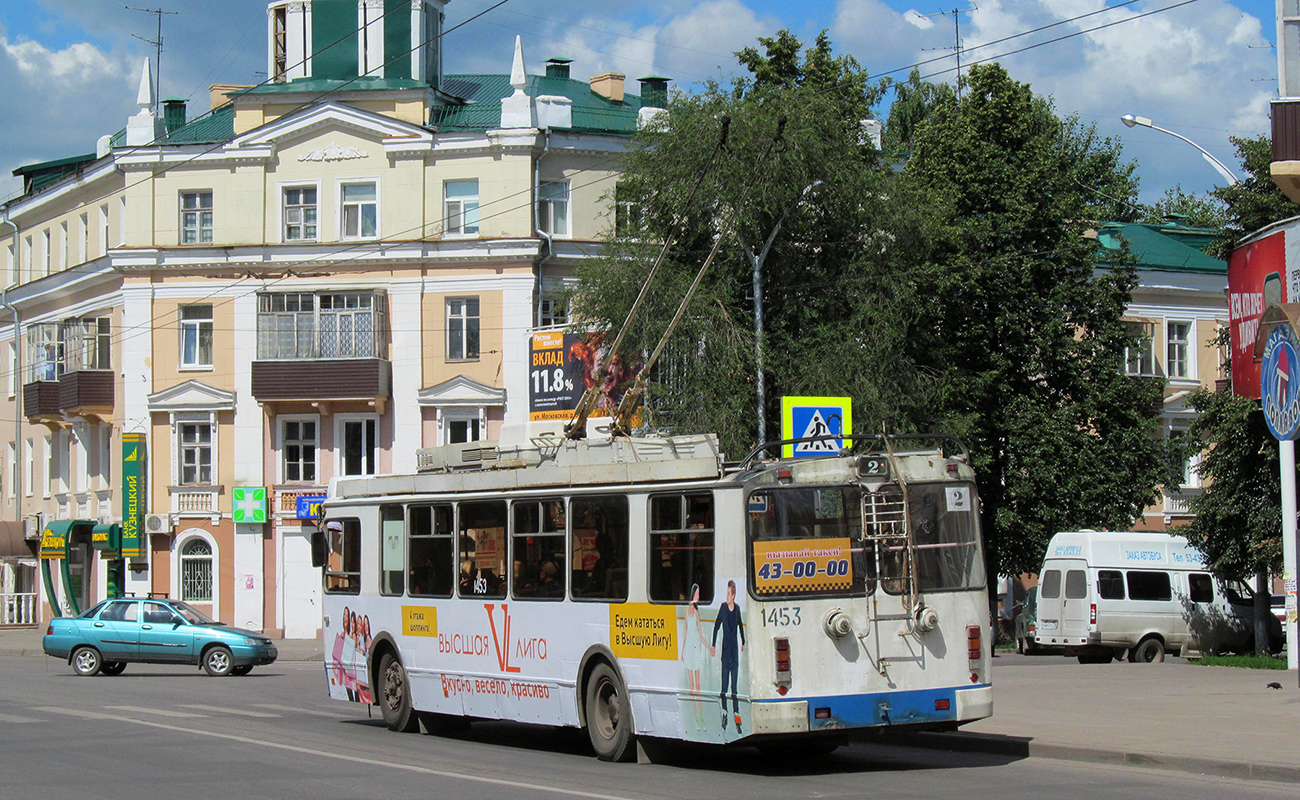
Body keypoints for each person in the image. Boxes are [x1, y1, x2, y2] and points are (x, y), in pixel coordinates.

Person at [710, 579, 746, 732]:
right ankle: (724, 713)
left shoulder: (737, 609)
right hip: (725, 652)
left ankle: (737, 716)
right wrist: (713, 645)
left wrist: (743, 642)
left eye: (729, 593)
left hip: (734, 652)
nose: (727, 595)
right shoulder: (723, 608)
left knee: (735, 689)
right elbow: (717, 626)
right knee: (724, 687)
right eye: (726, 592)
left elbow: (740, 626)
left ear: (733, 595)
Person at [682, 583, 710, 729]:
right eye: (697, 594)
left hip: (696, 649)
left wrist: (708, 648)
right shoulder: (687, 611)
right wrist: (682, 652)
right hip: (689, 649)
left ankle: (701, 718)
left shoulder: (697, 613)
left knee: (698, 688)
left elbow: (700, 633)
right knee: (692, 688)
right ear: (693, 594)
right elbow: (686, 632)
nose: (699, 596)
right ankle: (696, 720)